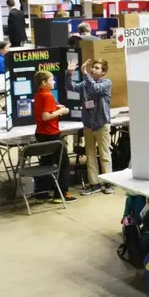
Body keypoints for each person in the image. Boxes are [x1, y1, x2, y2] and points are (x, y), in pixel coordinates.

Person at [66, 58, 114, 195]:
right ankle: (94, 184)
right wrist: (69, 73)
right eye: (93, 67)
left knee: (104, 154)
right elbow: (71, 87)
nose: (93, 69)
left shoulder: (106, 83)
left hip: (101, 124)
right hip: (88, 125)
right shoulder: (86, 84)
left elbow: (95, 88)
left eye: (97, 68)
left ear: (103, 72)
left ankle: (108, 182)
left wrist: (85, 74)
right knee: (90, 155)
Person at [32, 70, 73, 201]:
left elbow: (45, 109)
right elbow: (45, 116)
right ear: (44, 82)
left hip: (40, 133)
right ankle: (61, 193)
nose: (54, 82)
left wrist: (55, 107)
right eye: (51, 80)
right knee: (64, 163)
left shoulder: (39, 94)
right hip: (52, 134)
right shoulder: (48, 95)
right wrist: (61, 110)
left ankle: (43, 192)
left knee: (46, 162)